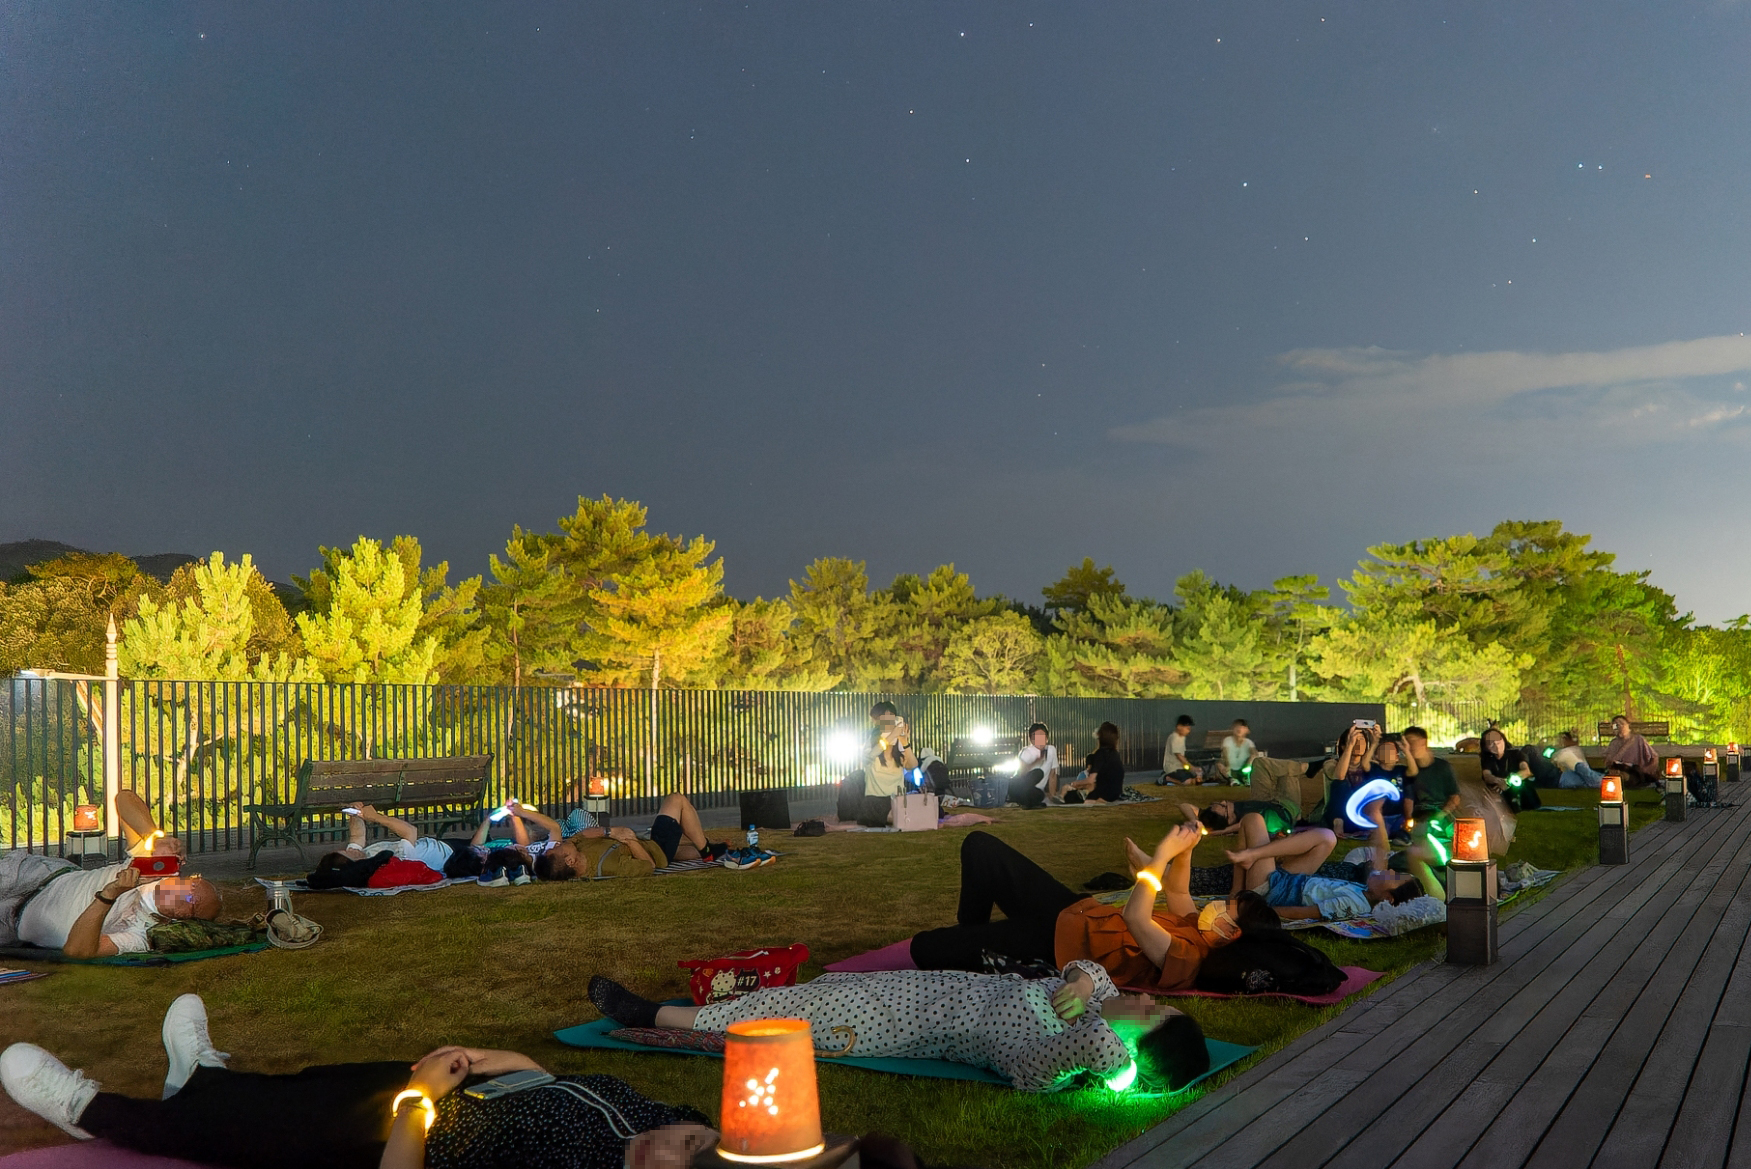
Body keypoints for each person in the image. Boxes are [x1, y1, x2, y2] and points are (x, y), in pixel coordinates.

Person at [1, 993, 719, 1169]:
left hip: (395, 1132)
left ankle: (90, 1109)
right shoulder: (655, 1113)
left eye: (678, 1161)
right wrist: (486, 1056)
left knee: (267, 1129)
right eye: (692, 1138)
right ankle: (202, 1076)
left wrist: (422, 1099)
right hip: (446, 1087)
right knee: (304, 1083)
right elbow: (553, 1077)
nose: (667, 1141)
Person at [588, 959, 1212, 1095]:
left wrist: (1120, 1064)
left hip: (888, 1026)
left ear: (1128, 1050)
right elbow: (1092, 974)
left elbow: (1053, 1065)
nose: (1146, 1001)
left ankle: (654, 1015)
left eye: (1155, 1015)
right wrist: (1081, 982)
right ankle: (684, 1011)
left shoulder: (1048, 1057)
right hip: (919, 987)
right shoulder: (1092, 1001)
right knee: (810, 990)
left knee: (784, 1019)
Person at [908, 829, 1265, 991]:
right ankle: (972, 939)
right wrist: (1186, 849)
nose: (1214, 905)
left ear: (1231, 933)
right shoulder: (1195, 925)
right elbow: (1177, 888)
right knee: (979, 845)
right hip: (1073, 910)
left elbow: (1135, 917)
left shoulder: (1189, 958)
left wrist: (1158, 859)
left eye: (1226, 907)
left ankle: (969, 947)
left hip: (1058, 946)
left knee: (923, 948)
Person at [0, 791, 221, 959]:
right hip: (37, 877)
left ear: (183, 918)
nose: (185, 890)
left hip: (12, 926)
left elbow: (77, 951)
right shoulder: (157, 867)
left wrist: (109, 896)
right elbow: (123, 799)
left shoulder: (142, 934)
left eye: (192, 899)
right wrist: (155, 837)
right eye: (191, 884)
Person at [1224, 827, 1423, 921]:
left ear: (1388, 898)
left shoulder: (1353, 904)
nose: (1389, 871)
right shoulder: (1368, 890)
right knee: (1327, 837)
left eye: (1393, 877)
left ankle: (1238, 887)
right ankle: (1250, 862)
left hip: (1273, 892)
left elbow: (1305, 913)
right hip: (1291, 881)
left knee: (1253, 820)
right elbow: (1380, 853)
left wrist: (1251, 913)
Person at [530, 792, 727, 881]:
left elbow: (582, 834)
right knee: (677, 800)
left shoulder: (576, 849)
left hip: (646, 844)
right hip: (656, 850)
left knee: (685, 851)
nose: (560, 843)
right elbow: (648, 866)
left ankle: (714, 849)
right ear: (570, 861)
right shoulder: (607, 865)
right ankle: (707, 850)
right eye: (559, 849)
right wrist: (628, 840)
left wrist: (610, 832)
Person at [309, 803, 500, 888]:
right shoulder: (391, 861)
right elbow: (410, 832)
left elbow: (357, 835)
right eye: (349, 852)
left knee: (486, 840)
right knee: (486, 844)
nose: (351, 849)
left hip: (439, 846)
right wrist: (375, 817)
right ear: (354, 861)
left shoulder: (364, 857)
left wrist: (355, 814)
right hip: (453, 855)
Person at [1401, 726, 1460, 897]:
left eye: (1411, 742)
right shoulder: (1409, 772)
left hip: (1442, 814)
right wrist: (1409, 819)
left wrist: (1441, 815)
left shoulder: (1442, 767)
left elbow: (1454, 797)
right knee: (1425, 841)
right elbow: (1409, 800)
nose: (1409, 748)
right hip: (1421, 818)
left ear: (1423, 742)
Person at [837, 703, 918, 826]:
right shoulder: (871, 746)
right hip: (875, 801)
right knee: (897, 816)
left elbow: (912, 765)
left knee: (926, 809)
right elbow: (870, 756)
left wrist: (905, 742)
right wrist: (891, 736)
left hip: (897, 799)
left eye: (892, 717)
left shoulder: (898, 749)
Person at [1478, 727, 1543, 813]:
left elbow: (1525, 771)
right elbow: (1487, 775)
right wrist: (1498, 781)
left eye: (1498, 741)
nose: (1496, 745)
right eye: (1491, 743)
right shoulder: (1488, 759)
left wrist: (1508, 782)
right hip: (1499, 790)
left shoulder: (1517, 754)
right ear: (1486, 747)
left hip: (1519, 788)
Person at [1007, 722, 1060, 808]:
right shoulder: (1026, 752)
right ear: (1031, 739)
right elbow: (1021, 773)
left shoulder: (1051, 750)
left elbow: (1052, 775)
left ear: (1047, 738)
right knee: (1038, 773)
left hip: (1034, 791)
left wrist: (1052, 796)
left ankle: (1028, 802)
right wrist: (1035, 762)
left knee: (1039, 795)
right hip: (1019, 788)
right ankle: (1020, 799)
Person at [1604, 715, 1661, 788]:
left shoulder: (1638, 739)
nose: (1619, 727)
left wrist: (1645, 770)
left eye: (1622, 724)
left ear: (1628, 725)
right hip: (1619, 771)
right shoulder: (1613, 743)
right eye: (1616, 725)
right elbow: (1609, 762)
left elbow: (1654, 757)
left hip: (1637, 772)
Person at [1160, 715, 1203, 785]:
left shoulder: (1182, 738)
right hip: (1173, 768)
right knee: (1188, 781)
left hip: (1181, 768)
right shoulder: (1175, 737)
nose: (1188, 731)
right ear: (1179, 727)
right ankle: (1167, 778)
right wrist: (1192, 768)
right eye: (1187, 728)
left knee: (1197, 778)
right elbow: (1179, 756)